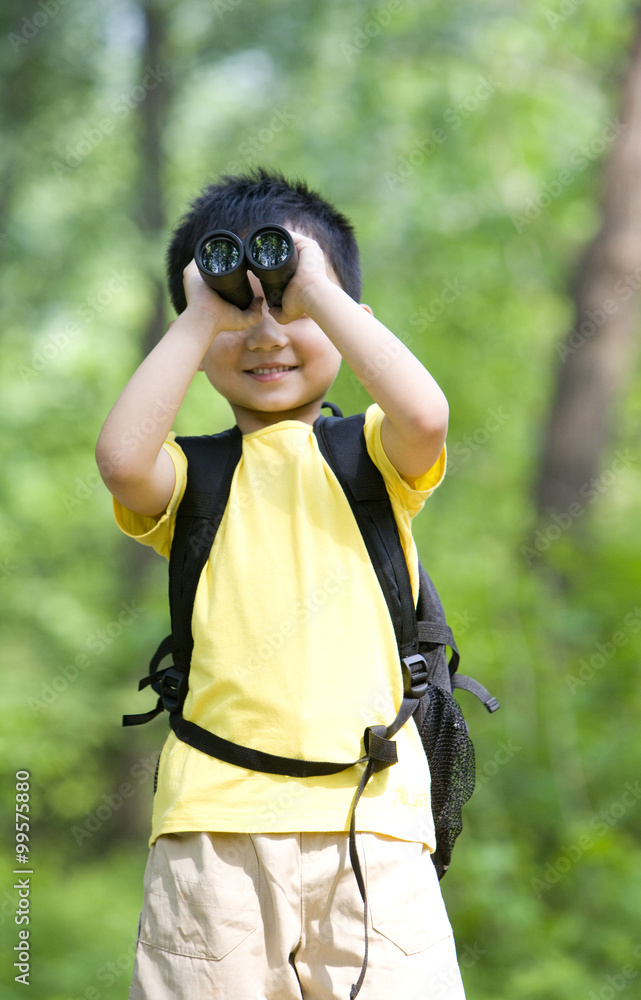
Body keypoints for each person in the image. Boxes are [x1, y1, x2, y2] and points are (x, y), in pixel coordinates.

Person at [96, 168, 466, 1000]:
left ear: (346, 320)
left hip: (370, 827)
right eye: (236, 309)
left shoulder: (371, 455)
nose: (264, 332)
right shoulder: (192, 475)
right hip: (213, 830)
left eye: (287, 306)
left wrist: (320, 292)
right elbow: (121, 460)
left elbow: (426, 415)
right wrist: (199, 313)